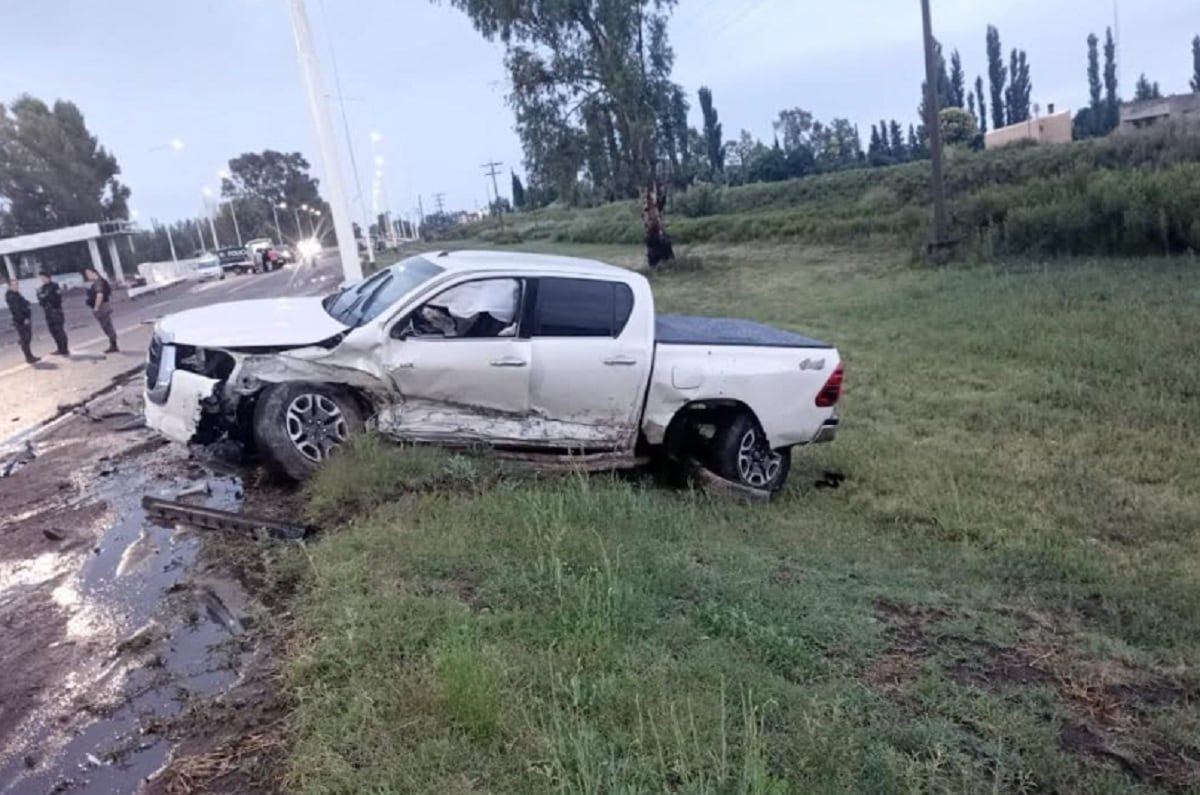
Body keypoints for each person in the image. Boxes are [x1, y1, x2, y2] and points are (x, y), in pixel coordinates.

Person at [84, 268, 118, 353]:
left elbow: (100, 295)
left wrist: (96, 307)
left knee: (107, 326)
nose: (87, 276)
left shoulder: (99, 282)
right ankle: (113, 344)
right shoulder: (98, 282)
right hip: (103, 306)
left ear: (94, 273)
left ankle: (113, 345)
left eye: (88, 274)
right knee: (106, 326)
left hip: (102, 307)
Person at [36, 273, 69, 356]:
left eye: (44, 278)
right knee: (53, 331)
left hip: (56, 310)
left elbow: (57, 299)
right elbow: (41, 300)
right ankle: (59, 348)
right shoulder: (42, 288)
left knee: (59, 330)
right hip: (47, 311)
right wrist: (44, 297)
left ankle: (64, 349)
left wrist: (46, 297)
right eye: (41, 278)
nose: (42, 280)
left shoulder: (54, 286)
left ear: (48, 277)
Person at [5, 279, 38, 364]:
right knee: (25, 338)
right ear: (9, 286)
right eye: (14, 285)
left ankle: (30, 356)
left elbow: (24, 302)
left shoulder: (16, 294)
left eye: (17, 285)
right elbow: (17, 310)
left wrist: (27, 304)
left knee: (27, 337)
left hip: (24, 319)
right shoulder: (11, 296)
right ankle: (29, 357)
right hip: (21, 321)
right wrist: (24, 319)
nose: (16, 286)